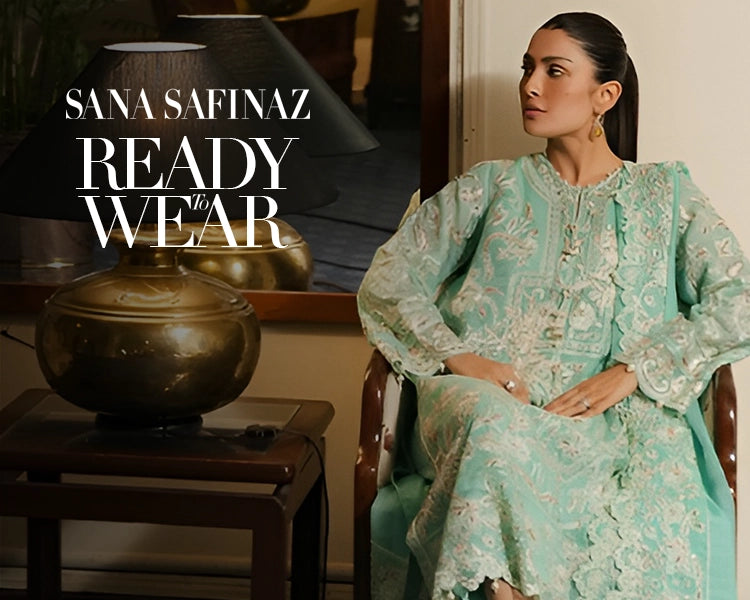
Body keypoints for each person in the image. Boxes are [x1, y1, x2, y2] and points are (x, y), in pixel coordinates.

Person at [357, 11, 750, 600]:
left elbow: (739, 299)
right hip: (480, 403)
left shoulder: (665, 197)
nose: (530, 86)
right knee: (490, 426)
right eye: (527, 68)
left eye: (553, 71)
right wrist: (460, 358)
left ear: (605, 96)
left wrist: (634, 371)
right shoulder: (489, 188)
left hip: (605, 418)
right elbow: (389, 279)